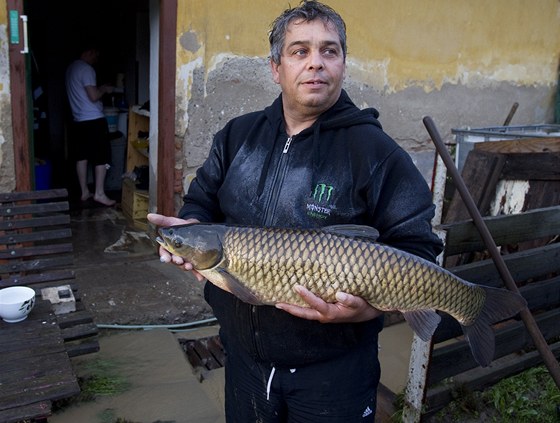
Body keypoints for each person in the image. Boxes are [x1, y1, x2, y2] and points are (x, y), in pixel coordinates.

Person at [149, 1, 443, 421]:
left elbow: (419, 249)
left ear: (342, 64)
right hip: (244, 361)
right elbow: (201, 202)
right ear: (276, 68)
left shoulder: (376, 153)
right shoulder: (237, 136)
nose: (316, 64)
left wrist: (370, 308)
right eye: (300, 51)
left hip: (334, 372)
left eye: (329, 51)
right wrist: (190, 231)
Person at [65, 44, 116, 206]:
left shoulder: (71, 69)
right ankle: (99, 193)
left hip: (78, 120)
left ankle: (84, 191)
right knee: (101, 157)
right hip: (94, 120)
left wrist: (98, 88)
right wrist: (105, 89)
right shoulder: (87, 70)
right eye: (95, 54)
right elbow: (93, 96)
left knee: (82, 157)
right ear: (88, 51)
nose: (96, 59)